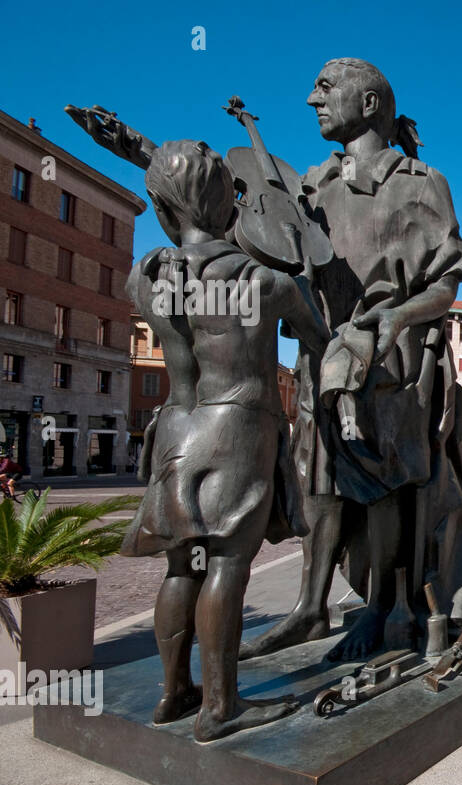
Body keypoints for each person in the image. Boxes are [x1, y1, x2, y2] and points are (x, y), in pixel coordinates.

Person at [240, 59, 462, 663]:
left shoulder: (420, 183)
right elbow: (252, 216)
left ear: (370, 102)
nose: (310, 99)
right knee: (319, 481)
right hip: (320, 356)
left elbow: (447, 283)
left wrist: (398, 317)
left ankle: (385, 607)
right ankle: (310, 605)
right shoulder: (312, 186)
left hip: (393, 364)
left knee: (385, 482)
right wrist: (144, 154)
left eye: (325, 89)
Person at [121, 139, 328, 741]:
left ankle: (174, 693)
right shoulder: (265, 283)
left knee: (181, 566)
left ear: (161, 211)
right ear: (233, 208)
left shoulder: (148, 278)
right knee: (228, 565)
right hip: (237, 427)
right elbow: (319, 338)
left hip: (175, 428)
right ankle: (220, 706)